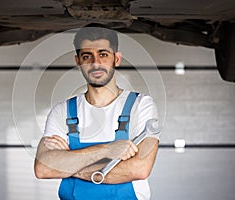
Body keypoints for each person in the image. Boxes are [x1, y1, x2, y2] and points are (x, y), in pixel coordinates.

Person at [34, 24, 160, 200]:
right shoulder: (62, 111)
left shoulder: (140, 106)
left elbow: (139, 169)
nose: (96, 63)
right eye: (87, 56)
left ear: (116, 59)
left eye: (103, 54)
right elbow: (43, 168)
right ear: (77, 61)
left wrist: (69, 164)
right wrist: (106, 150)